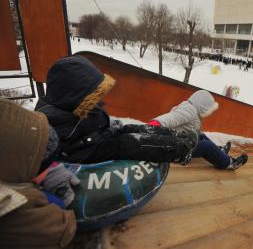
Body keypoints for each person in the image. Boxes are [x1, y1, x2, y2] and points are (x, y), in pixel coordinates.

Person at [35, 55, 197, 166]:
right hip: (86, 151)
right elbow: (54, 150)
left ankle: (172, 135)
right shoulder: (53, 121)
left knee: (131, 129)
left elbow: (94, 123)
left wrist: (112, 127)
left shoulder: (75, 105)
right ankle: (180, 149)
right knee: (129, 143)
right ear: (73, 94)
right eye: (94, 94)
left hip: (97, 136)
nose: (98, 99)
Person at [0, 99, 77, 248]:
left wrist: (46, 171)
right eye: (45, 166)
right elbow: (60, 229)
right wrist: (38, 196)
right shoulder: (15, 215)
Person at [149, 90, 248, 170]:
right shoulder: (187, 111)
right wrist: (149, 129)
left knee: (201, 136)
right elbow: (166, 119)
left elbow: (193, 130)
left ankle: (219, 151)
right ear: (202, 105)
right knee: (206, 146)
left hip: (182, 140)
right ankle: (228, 163)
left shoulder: (194, 111)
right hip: (175, 148)